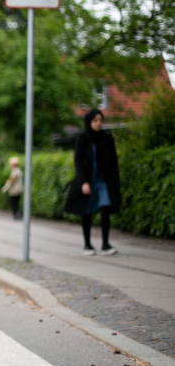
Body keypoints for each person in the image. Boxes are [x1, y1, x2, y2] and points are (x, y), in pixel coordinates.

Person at [64, 109, 120, 256]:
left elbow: (113, 162)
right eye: (95, 120)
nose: (98, 123)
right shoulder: (83, 138)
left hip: (103, 181)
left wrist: (114, 182)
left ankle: (105, 244)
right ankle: (87, 244)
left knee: (106, 208)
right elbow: (78, 162)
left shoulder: (107, 139)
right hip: (88, 181)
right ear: (89, 122)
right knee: (86, 212)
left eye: (100, 120)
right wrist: (83, 182)